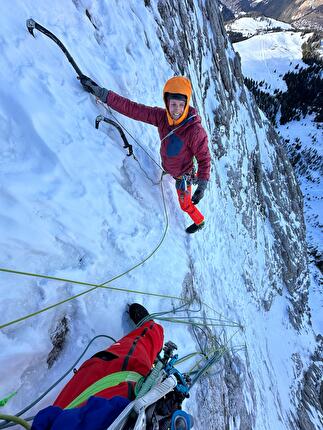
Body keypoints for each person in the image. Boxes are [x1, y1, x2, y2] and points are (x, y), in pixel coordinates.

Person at [79, 75, 211, 234]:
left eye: (181, 105)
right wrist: (103, 94)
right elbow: (133, 109)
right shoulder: (161, 117)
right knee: (172, 168)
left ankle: (199, 221)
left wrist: (202, 185)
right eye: (173, 104)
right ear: (167, 103)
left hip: (183, 175)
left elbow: (204, 158)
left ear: (187, 104)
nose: (176, 109)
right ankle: (171, 173)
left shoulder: (195, 132)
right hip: (171, 167)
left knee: (184, 204)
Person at [31, 304, 193, 430]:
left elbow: (46, 420)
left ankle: (151, 329)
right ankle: (152, 331)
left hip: (110, 391)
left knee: (139, 349)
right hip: (70, 404)